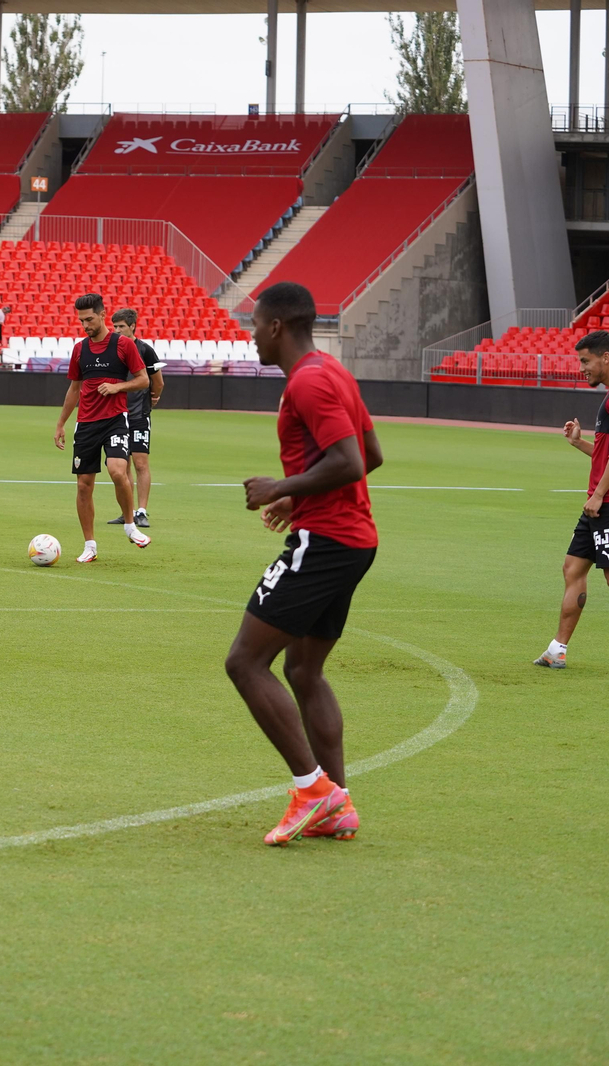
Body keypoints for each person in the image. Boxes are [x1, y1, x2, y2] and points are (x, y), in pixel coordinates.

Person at [223, 281, 382, 846]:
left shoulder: (309, 382)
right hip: (353, 539)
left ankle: (313, 790)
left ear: (276, 327)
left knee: (245, 662)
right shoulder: (332, 371)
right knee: (303, 671)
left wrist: (278, 487)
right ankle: (335, 802)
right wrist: (300, 498)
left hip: (329, 542)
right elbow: (372, 455)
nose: (251, 337)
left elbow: (350, 461)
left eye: (255, 326)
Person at [532, 329, 609, 669]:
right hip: (599, 502)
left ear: (606, 357)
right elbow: (606, 455)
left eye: (585, 361)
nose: (581, 368)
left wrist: (598, 495)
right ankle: (557, 650)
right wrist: (580, 443)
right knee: (573, 568)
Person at [53, 292, 151, 562]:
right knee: (84, 486)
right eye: (82, 321)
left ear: (102, 314)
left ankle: (130, 526)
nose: (85, 325)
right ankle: (90, 546)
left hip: (116, 420)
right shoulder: (80, 349)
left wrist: (118, 386)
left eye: (90, 319)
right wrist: (61, 423)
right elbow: (74, 389)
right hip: (85, 424)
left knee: (117, 471)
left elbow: (143, 380)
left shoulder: (123, 345)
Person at [108, 308, 165, 528]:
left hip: (139, 414)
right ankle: (128, 511)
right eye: (115, 326)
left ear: (133, 326)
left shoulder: (146, 350)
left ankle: (142, 511)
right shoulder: (112, 349)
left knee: (141, 463)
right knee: (122, 466)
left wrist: (153, 399)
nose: (117, 330)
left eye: (121, 326)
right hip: (117, 414)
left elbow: (158, 381)